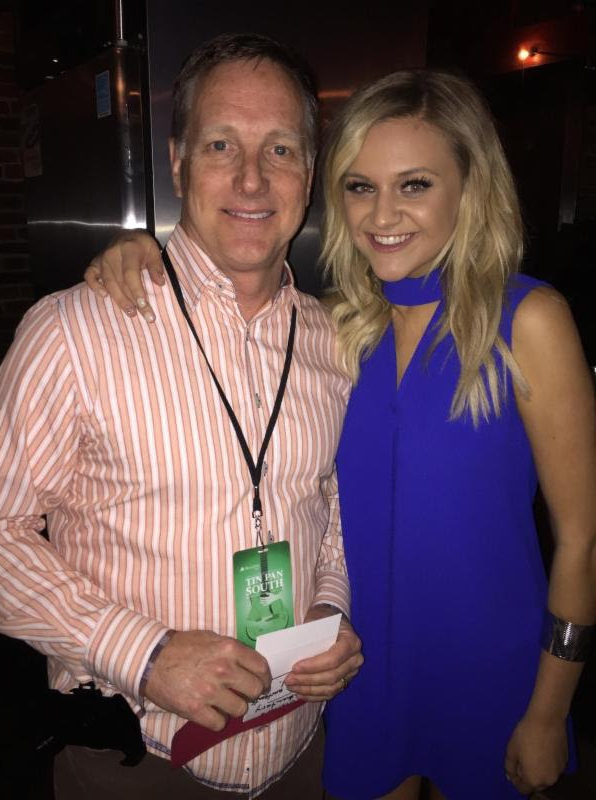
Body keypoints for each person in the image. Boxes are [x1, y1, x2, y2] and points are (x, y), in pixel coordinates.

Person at [87, 68, 596, 800]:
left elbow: (581, 542)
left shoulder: (529, 322)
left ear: (470, 186)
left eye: (414, 184)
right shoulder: (338, 333)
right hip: (358, 671)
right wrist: (140, 251)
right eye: (360, 186)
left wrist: (551, 711)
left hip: (489, 672)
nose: (381, 215)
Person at [0, 33, 363, 800]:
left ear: (309, 171)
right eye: (221, 143)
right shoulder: (74, 332)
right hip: (137, 767)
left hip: (301, 755)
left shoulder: (332, 342)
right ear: (176, 161)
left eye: (282, 149)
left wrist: (329, 609)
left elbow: (326, 501)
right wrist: (146, 652)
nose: (252, 178)